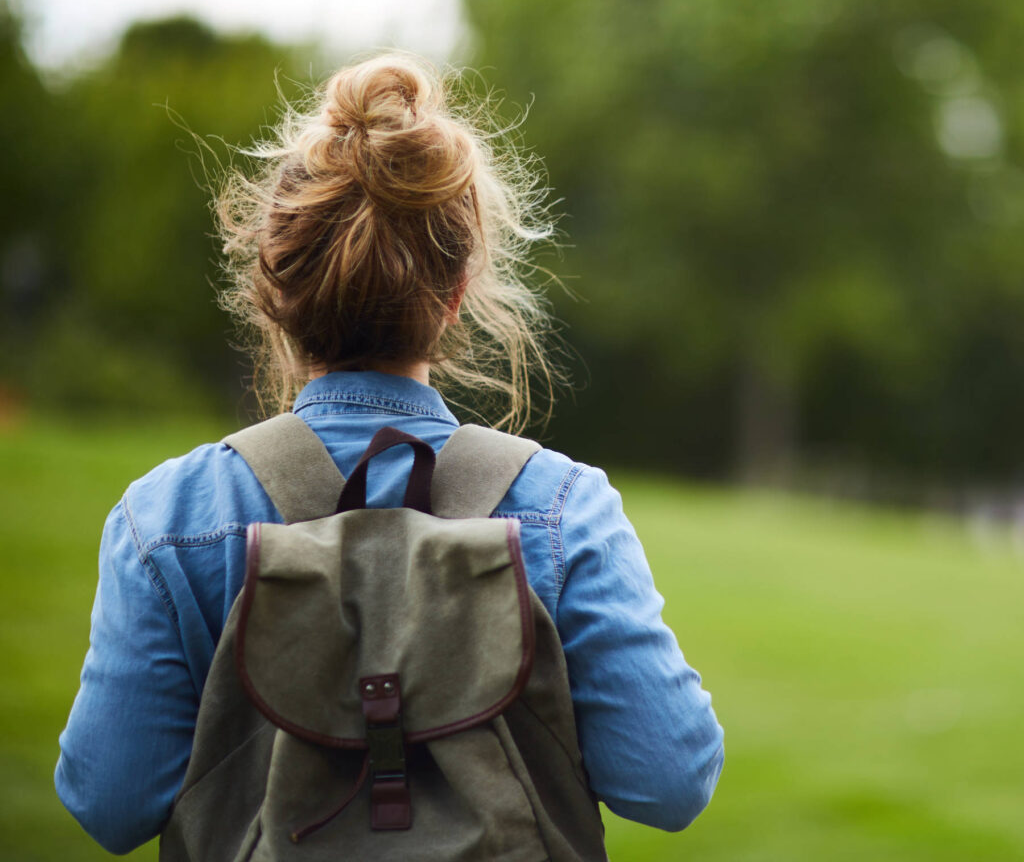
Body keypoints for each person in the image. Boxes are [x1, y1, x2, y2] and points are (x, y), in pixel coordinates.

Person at [55, 53, 724, 854]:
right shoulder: (561, 509)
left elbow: (109, 801)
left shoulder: (165, 518)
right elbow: (669, 781)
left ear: (277, 290)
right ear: (455, 296)